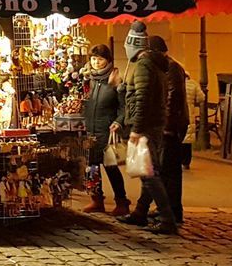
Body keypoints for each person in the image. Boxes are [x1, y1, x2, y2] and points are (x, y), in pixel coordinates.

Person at [117, 21, 178, 235]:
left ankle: (167, 218)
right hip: (154, 124)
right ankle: (141, 212)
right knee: (148, 171)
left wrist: (136, 128)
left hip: (145, 126)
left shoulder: (143, 65)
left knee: (148, 174)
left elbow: (142, 98)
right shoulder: (154, 64)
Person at [132, 37, 189, 224]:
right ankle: (149, 210)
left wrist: (168, 125)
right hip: (168, 124)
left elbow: (173, 96)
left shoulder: (169, 67)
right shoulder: (167, 65)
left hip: (169, 126)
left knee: (163, 171)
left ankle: (170, 212)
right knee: (156, 170)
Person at [81, 44, 129, 216]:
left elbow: (124, 107)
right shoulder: (89, 79)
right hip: (90, 129)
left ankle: (122, 202)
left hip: (107, 131)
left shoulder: (115, 80)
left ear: (108, 60)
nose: (96, 62)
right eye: (93, 58)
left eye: (100, 59)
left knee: (111, 167)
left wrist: (118, 121)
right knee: (92, 167)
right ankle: (97, 200)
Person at [183, 76, 206, 168]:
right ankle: (186, 162)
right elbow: (201, 98)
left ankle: (177, 160)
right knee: (188, 139)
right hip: (189, 112)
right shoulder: (193, 83)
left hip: (178, 112)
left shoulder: (174, 81)